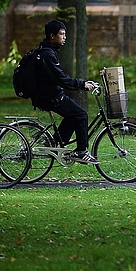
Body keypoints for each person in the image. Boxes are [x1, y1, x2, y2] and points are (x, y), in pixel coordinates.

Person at [32, 20, 101, 165]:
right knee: (81, 115)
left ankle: (53, 141)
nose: (65, 37)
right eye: (62, 34)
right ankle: (81, 152)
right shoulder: (47, 54)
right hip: (50, 96)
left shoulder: (47, 51)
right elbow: (61, 78)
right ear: (52, 36)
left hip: (48, 94)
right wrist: (82, 85)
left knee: (73, 115)